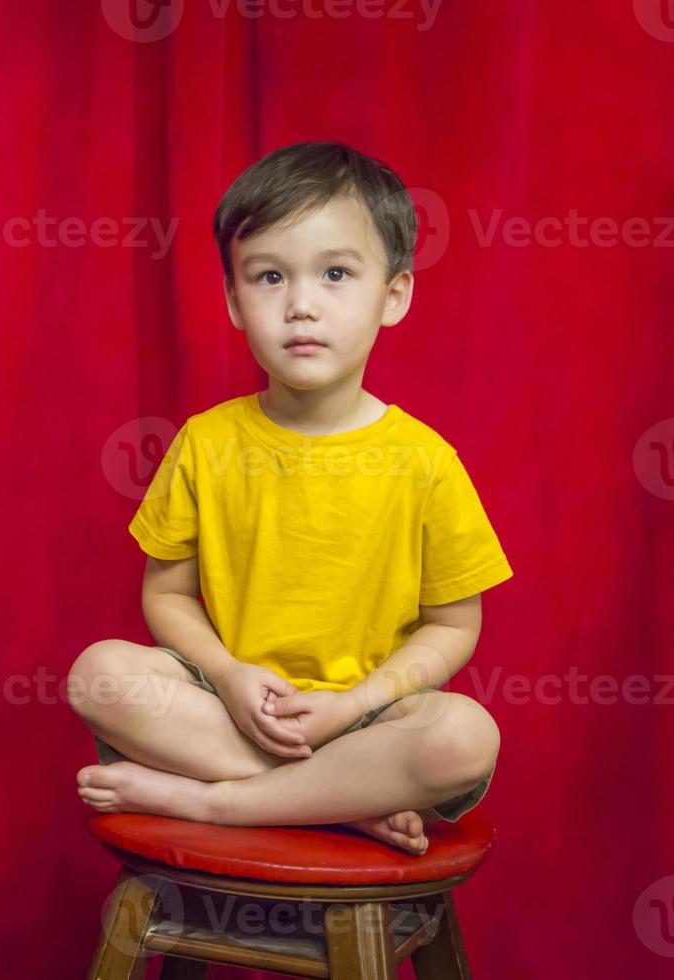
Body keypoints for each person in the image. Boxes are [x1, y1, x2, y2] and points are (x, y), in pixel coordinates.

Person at [70, 141, 514, 855]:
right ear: (234, 300)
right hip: (229, 708)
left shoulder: (427, 463)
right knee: (98, 675)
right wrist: (229, 674)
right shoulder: (207, 444)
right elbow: (169, 596)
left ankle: (219, 805)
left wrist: (354, 707)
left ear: (393, 295)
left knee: (464, 737)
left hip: (367, 719)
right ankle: (336, 803)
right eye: (270, 276)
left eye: (336, 273)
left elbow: (454, 627)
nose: (301, 305)